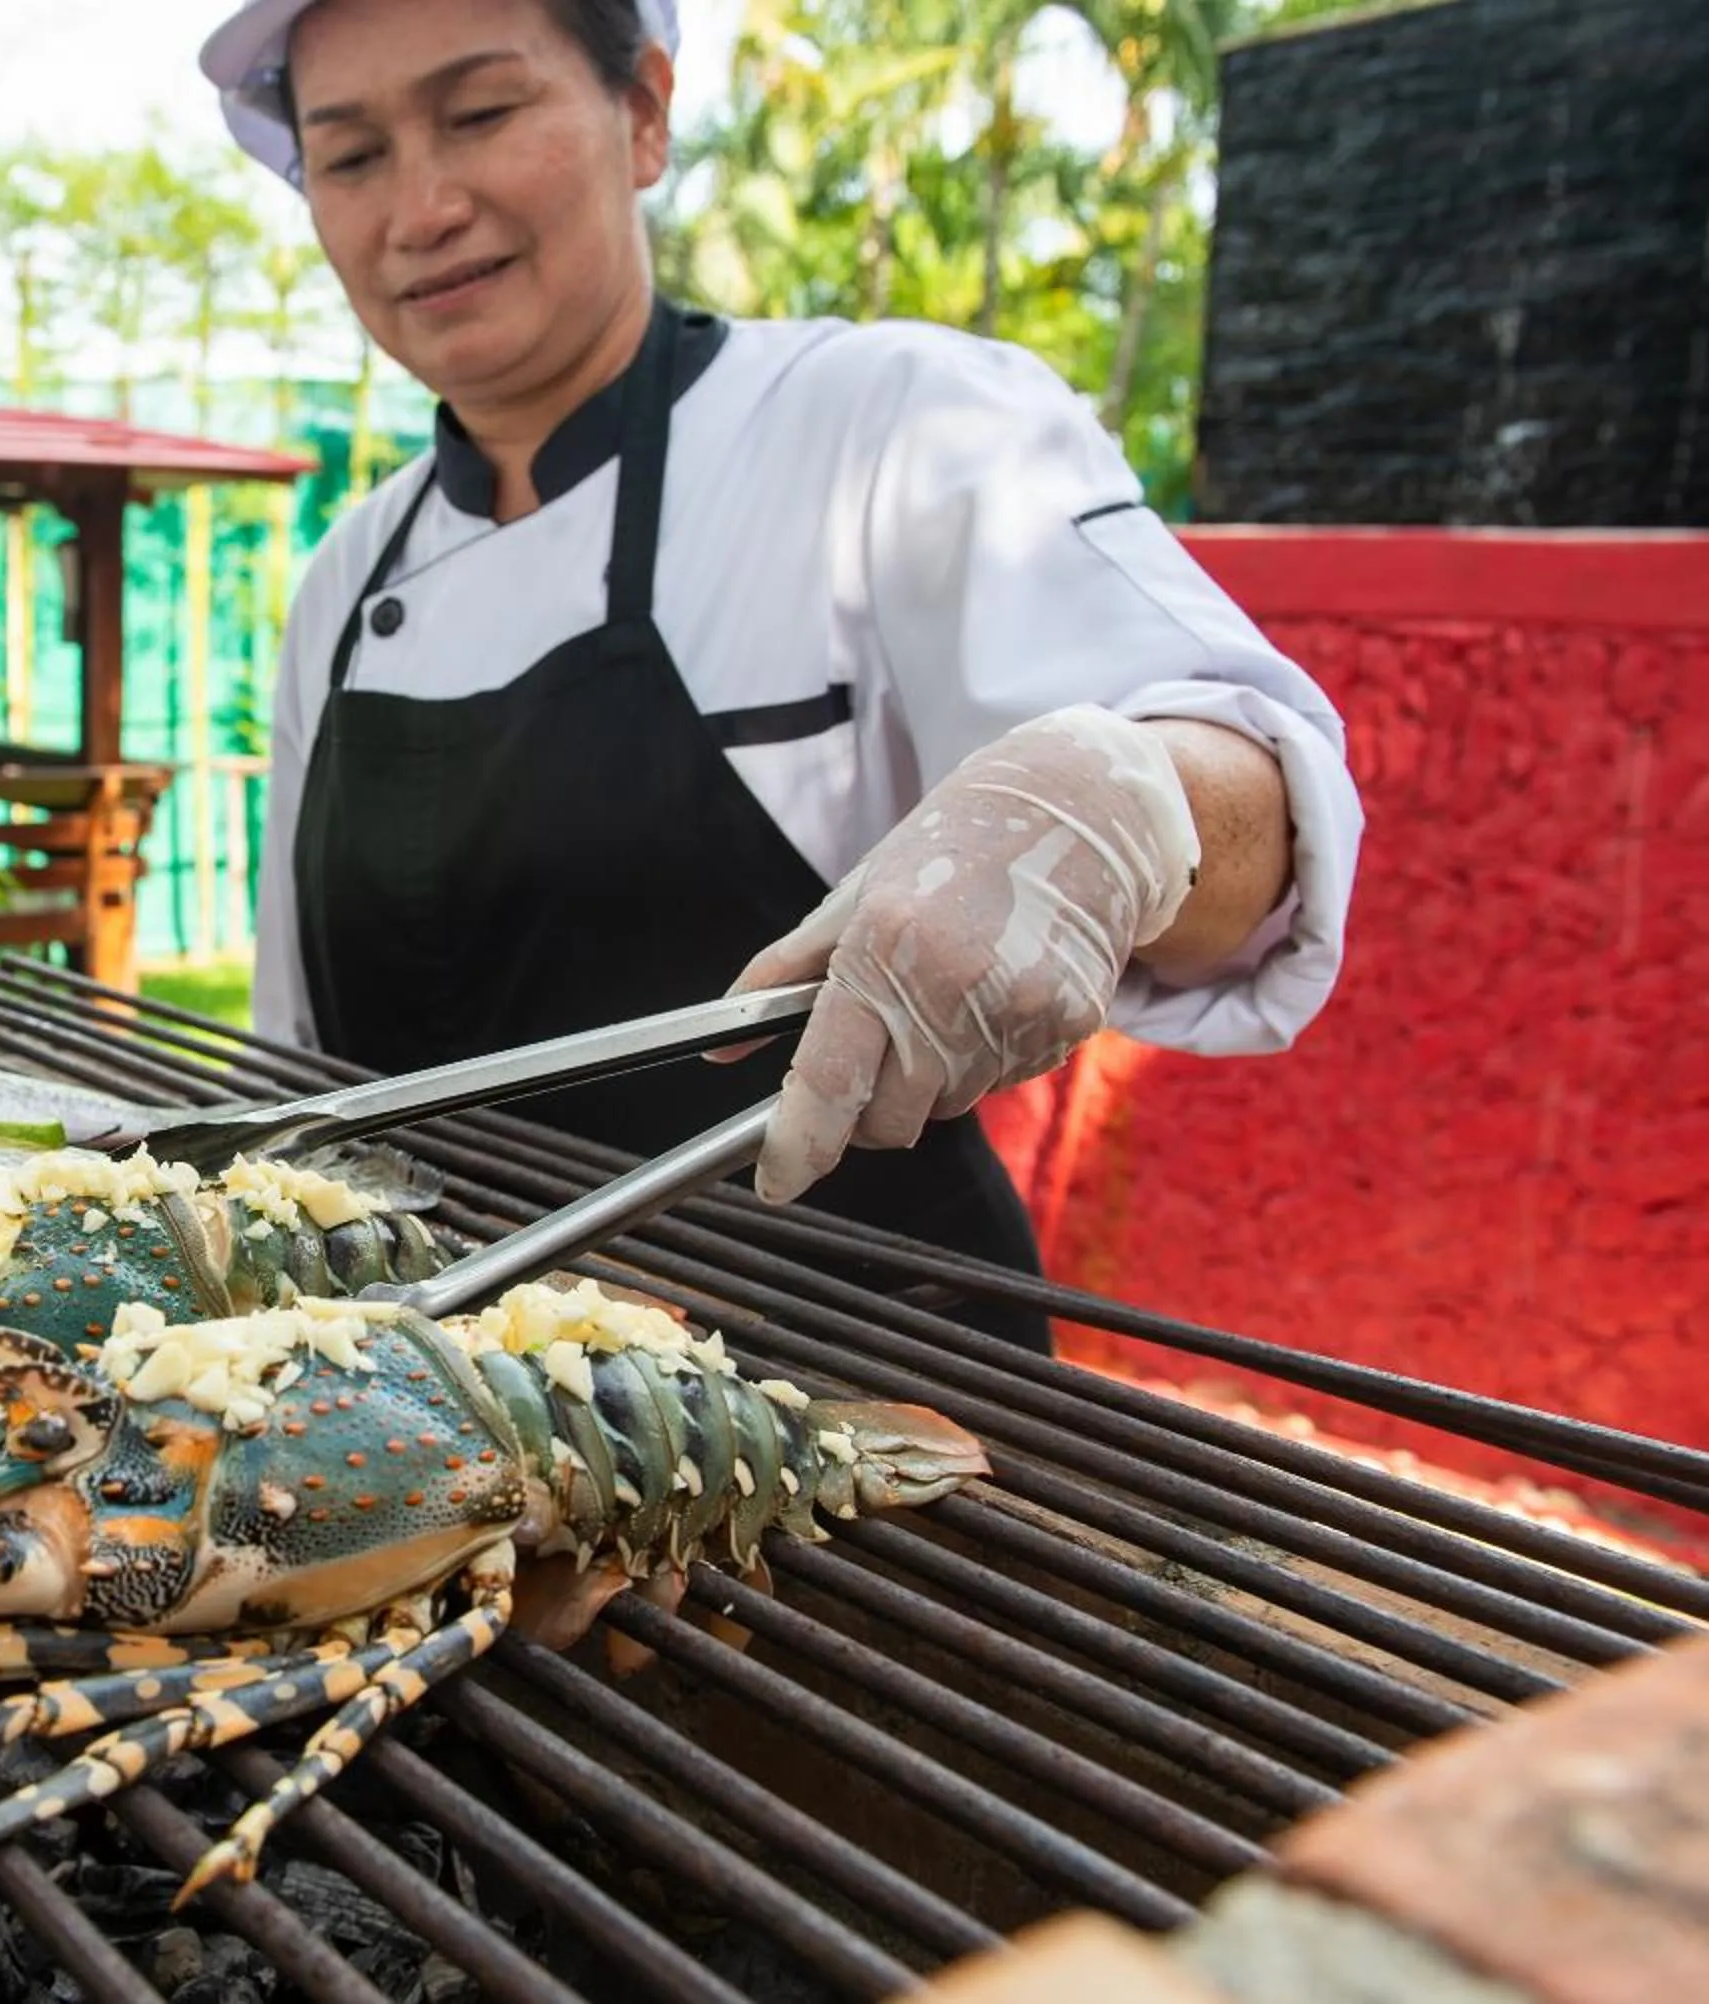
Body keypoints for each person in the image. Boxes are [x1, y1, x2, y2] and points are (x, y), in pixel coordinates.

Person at [200, 0, 1363, 1350]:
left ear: (642, 112)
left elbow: (1262, 812)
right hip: (427, 1416)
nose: (420, 207)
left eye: (481, 114)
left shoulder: (890, 426)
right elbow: (300, 1078)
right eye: (350, 157)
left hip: (879, 1407)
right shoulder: (346, 578)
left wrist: (1123, 803)